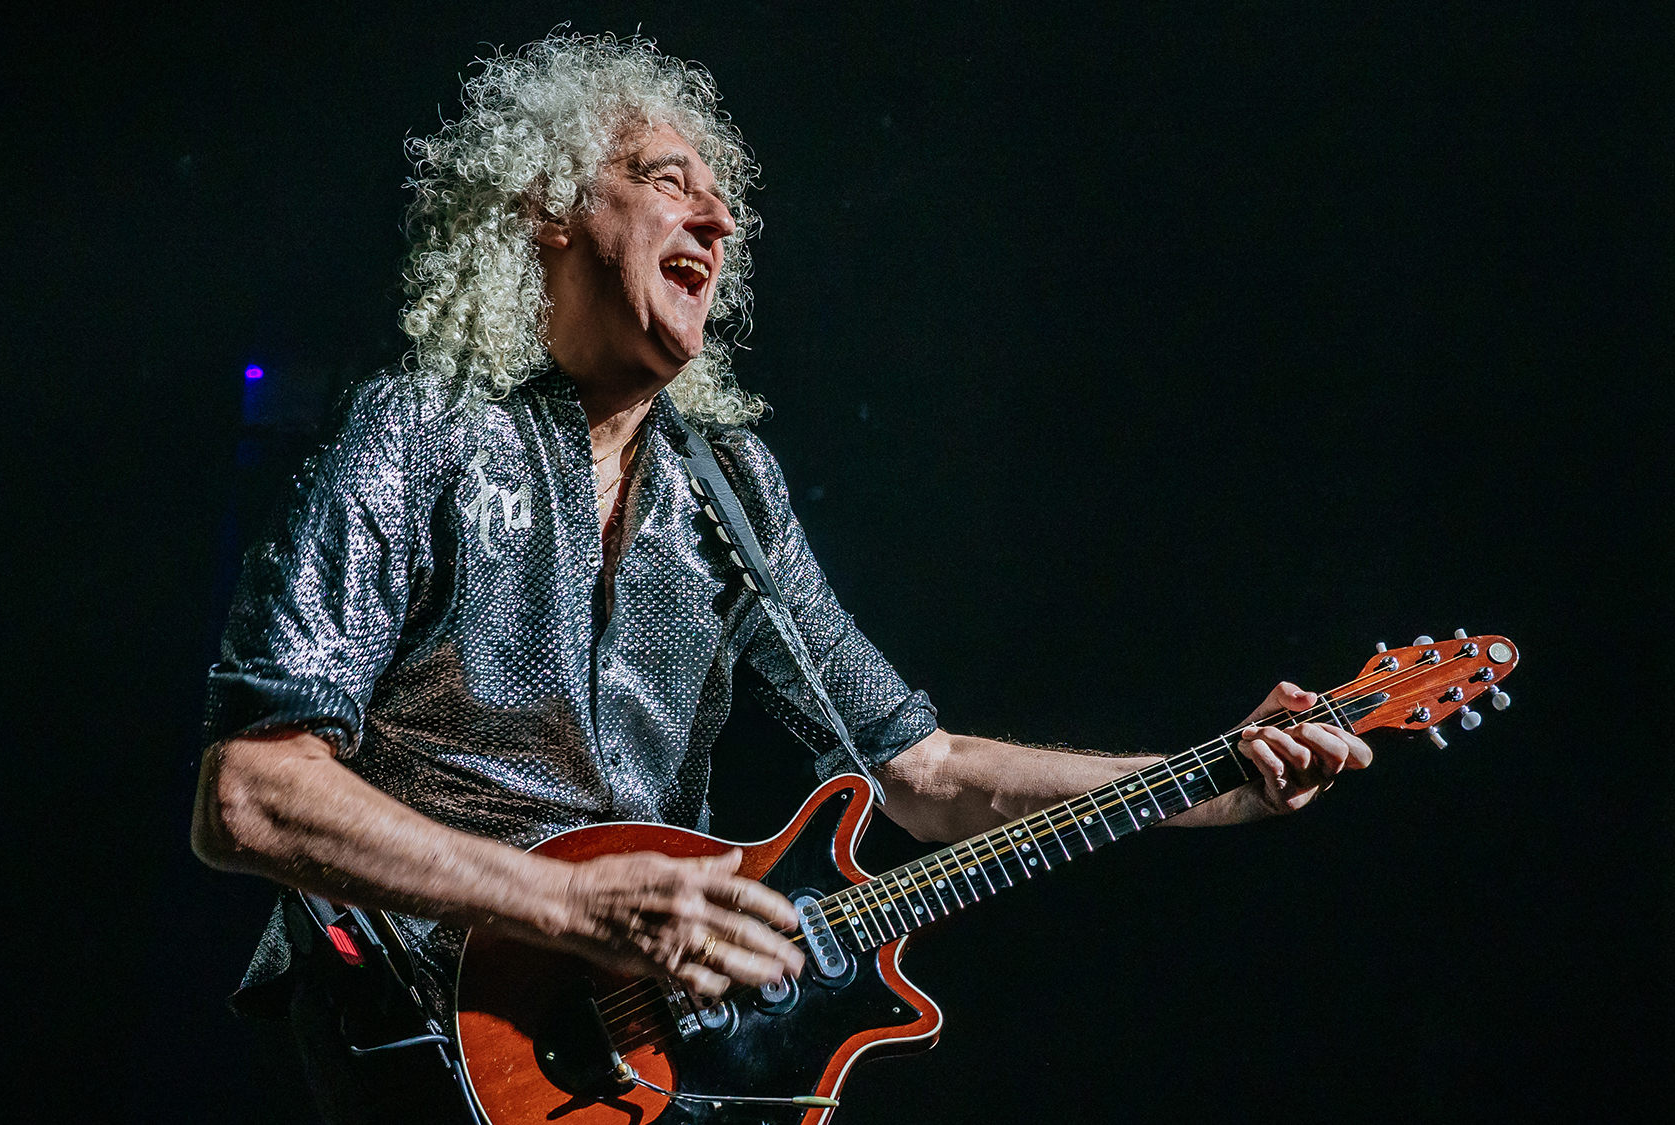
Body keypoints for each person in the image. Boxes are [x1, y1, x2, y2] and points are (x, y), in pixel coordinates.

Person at [190, 33, 1371, 1123]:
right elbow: (250, 791)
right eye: (665, 178)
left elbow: (924, 773)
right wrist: (563, 907)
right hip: (417, 1042)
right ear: (546, 211)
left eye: (724, 201)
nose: (716, 217)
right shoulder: (420, 431)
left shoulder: (727, 489)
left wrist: (1206, 778)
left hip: (635, 1074)